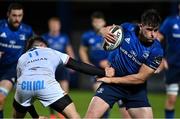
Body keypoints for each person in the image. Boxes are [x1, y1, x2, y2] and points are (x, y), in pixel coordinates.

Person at [85, 9, 163, 118]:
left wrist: (112, 80)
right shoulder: (127, 28)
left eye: (156, 30)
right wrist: (103, 31)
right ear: (140, 26)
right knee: (90, 116)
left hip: (135, 90)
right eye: (149, 29)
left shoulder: (157, 51)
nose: (153, 35)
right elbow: (107, 32)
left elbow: (140, 78)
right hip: (112, 86)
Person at [13, 36, 112, 118]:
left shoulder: (22, 58)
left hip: (24, 86)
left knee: (17, 117)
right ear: (43, 45)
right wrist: (103, 73)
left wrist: (36, 117)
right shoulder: (50, 51)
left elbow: (24, 88)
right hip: (46, 85)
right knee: (74, 116)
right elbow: (78, 66)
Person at [79, 11, 130, 118]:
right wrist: (88, 64)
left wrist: (110, 63)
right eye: (95, 22)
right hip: (98, 71)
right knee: (100, 98)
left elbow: (120, 48)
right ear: (92, 23)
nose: (97, 24)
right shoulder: (87, 36)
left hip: (115, 70)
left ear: (104, 22)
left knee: (124, 105)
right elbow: (82, 50)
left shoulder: (113, 32)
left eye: (99, 21)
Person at [0, 3, 35, 118]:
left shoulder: (27, 30)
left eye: (20, 15)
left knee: (0, 98)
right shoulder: (0, 26)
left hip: (10, 70)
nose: (17, 19)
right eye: (14, 15)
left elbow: (35, 46)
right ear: (8, 15)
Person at [42, 17, 75, 118]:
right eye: (53, 24)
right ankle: (52, 114)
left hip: (62, 68)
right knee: (50, 93)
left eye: (56, 24)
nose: (55, 26)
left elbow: (69, 50)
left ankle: (62, 114)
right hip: (50, 69)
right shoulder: (44, 37)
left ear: (59, 26)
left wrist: (73, 64)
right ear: (49, 25)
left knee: (64, 92)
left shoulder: (64, 37)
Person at [158, 3, 180, 119]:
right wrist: (161, 57)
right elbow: (157, 39)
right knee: (172, 99)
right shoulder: (170, 21)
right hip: (173, 66)